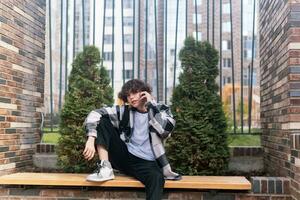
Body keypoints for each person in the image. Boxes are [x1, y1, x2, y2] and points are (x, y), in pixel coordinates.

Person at [83, 79, 181, 200]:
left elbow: (164, 130)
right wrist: (91, 139)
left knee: (157, 178)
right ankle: (105, 168)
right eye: (128, 95)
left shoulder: (162, 109)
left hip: (146, 163)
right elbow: (94, 114)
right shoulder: (125, 112)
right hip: (125, 157)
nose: (131, 97)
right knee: (102, 120)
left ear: (144, 92)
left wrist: (151, 104)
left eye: (134, 93)